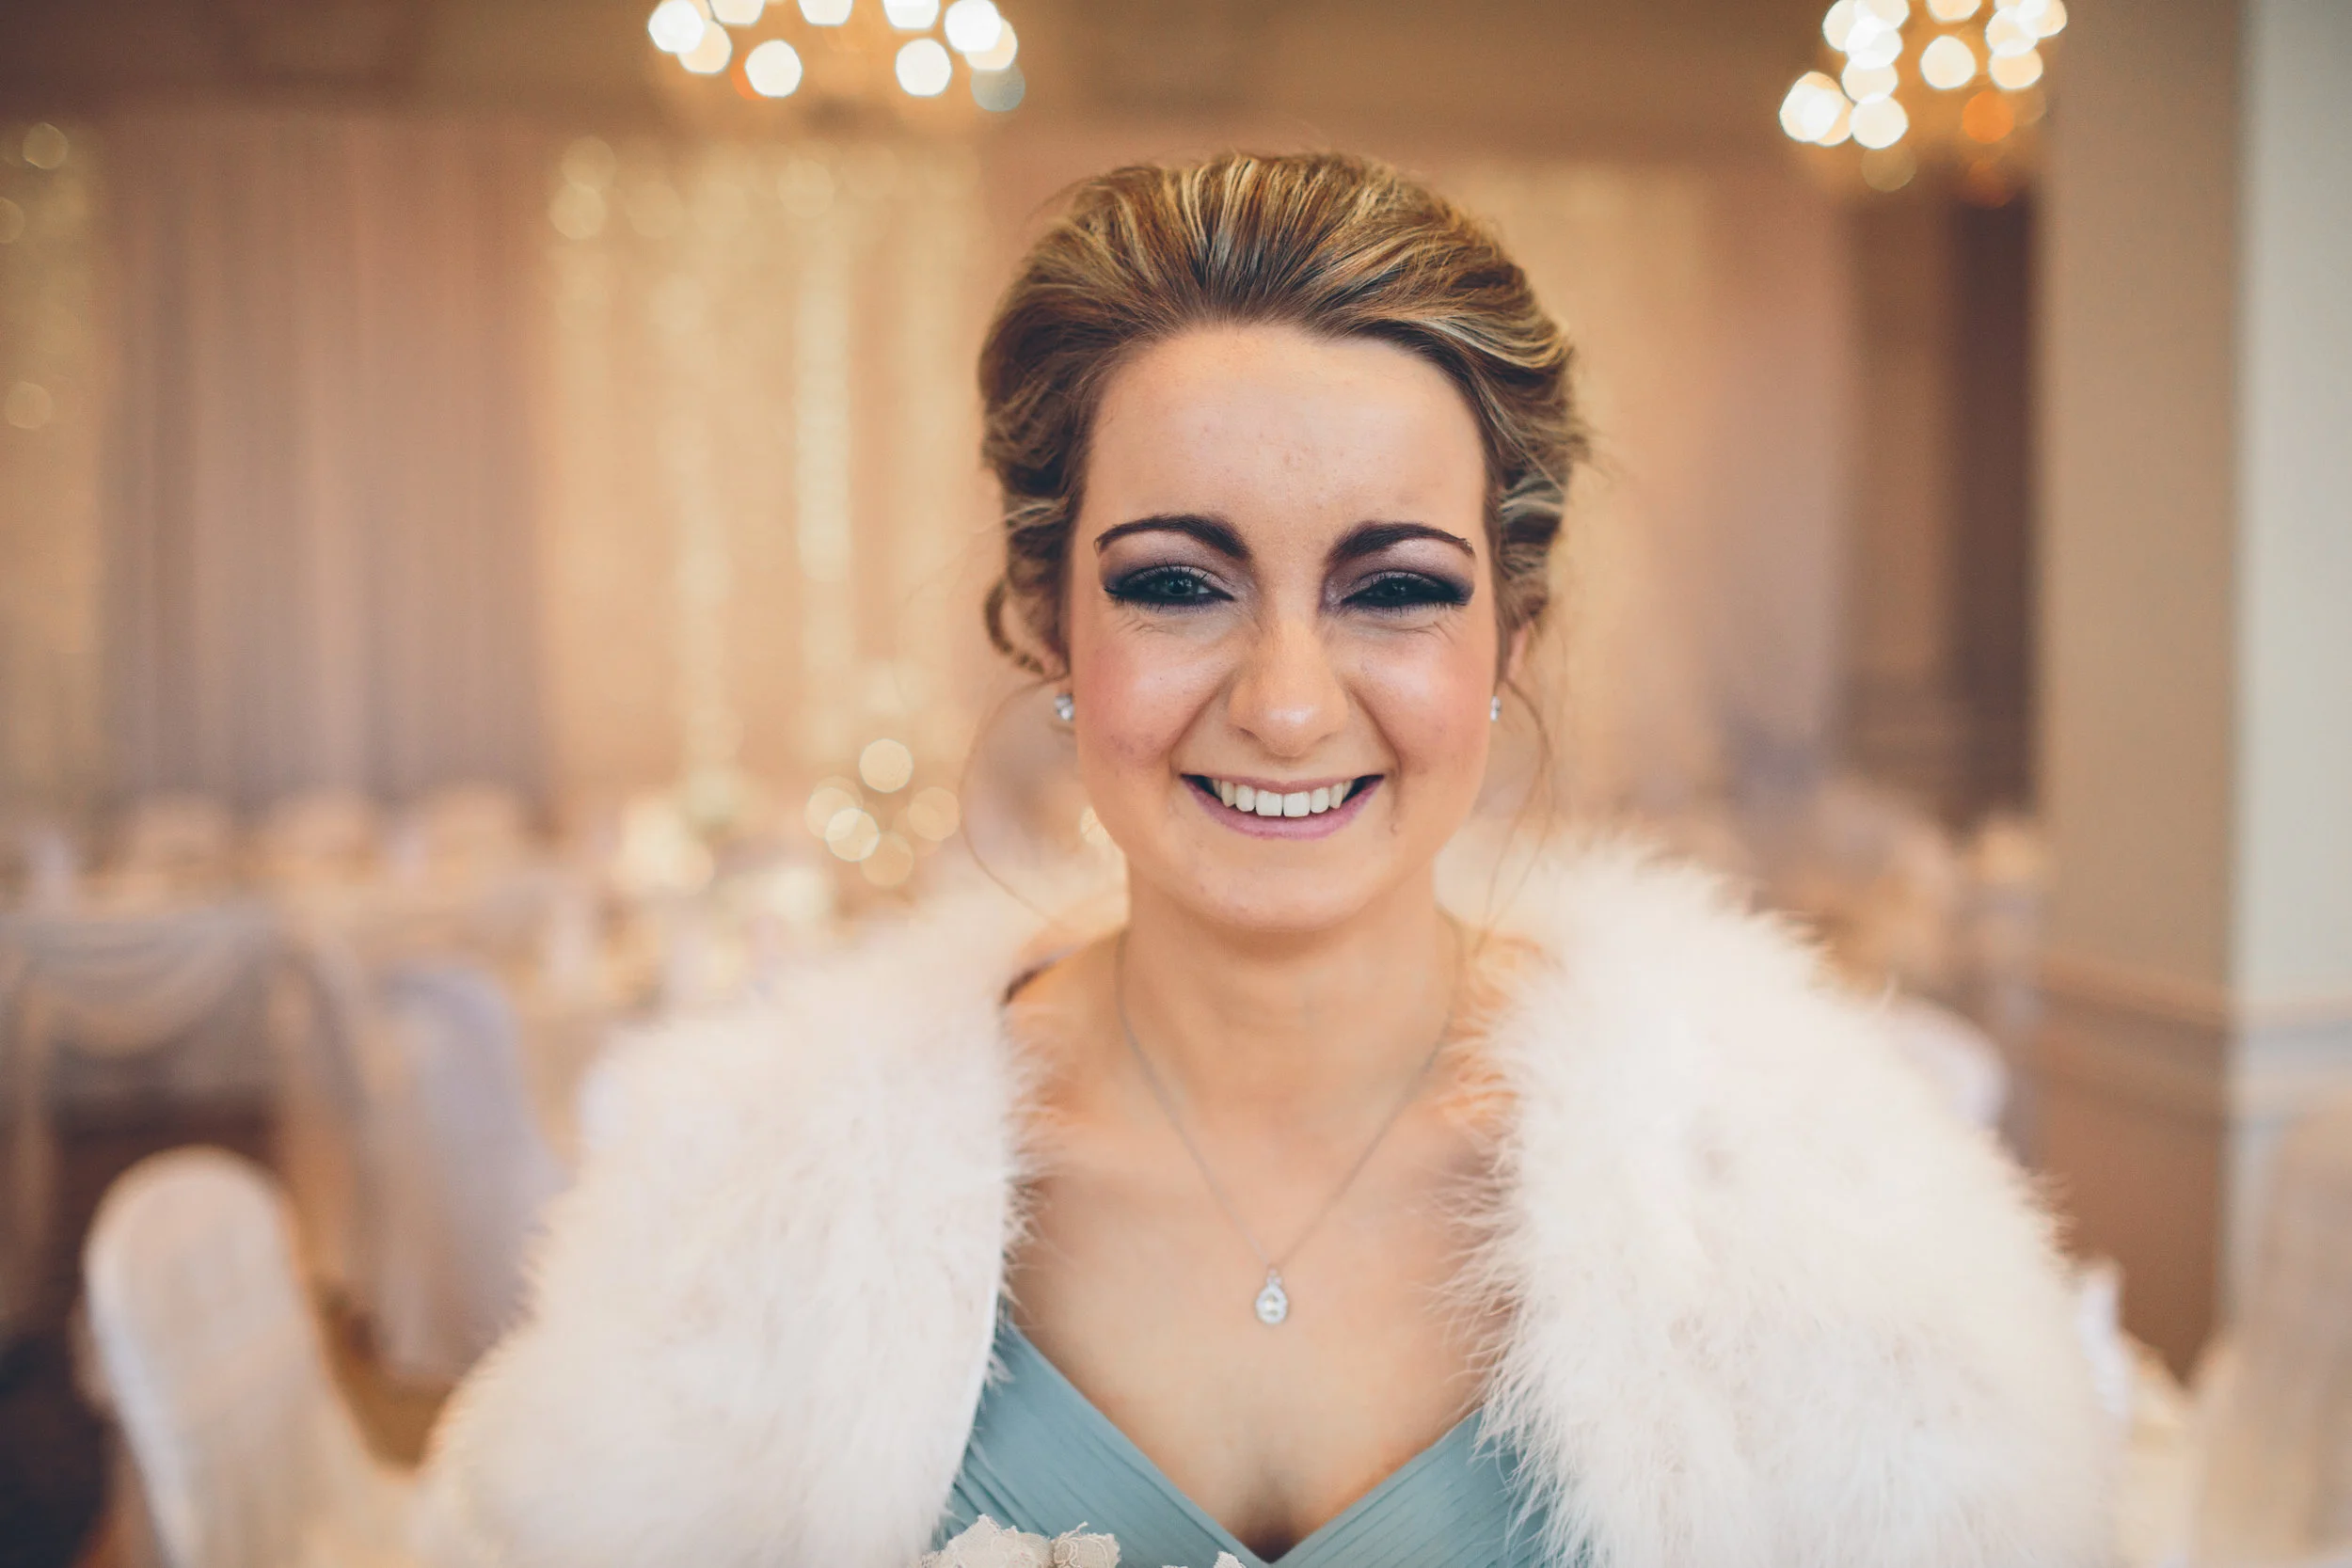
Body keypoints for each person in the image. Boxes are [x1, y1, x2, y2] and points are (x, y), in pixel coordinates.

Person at [415, 152, 2109, 1568]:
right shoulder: (751, 1220)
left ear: (1510, 636)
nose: (1290, 704)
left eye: (1394, 588)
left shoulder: (1809, 1216)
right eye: (1176, 581)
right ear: (1046, 619)